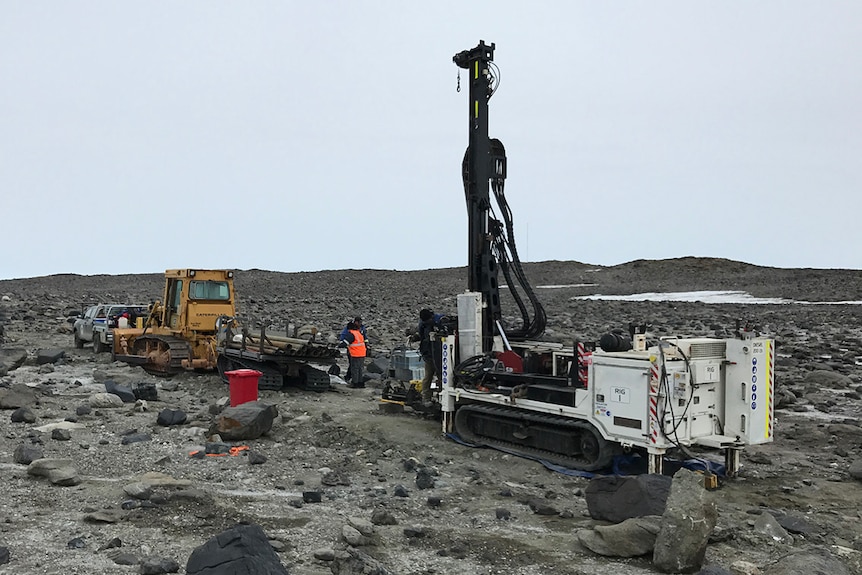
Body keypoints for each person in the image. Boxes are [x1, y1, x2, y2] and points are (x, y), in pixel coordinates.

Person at [416, 308, 445, 406]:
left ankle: (442, 396)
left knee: (441, 376)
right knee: (428, 376)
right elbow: (422, 337)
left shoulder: (440, 320)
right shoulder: (423, 324)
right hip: (429, 354)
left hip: (441, 354)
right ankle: (426, 398)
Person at [340, 316, 367, 381]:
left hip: (354, 353)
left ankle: (354, 382)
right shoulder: (359, 331)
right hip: (361, 352)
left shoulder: (352, 333)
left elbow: (345, 341)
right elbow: (364, 339)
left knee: (354, 367)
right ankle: (359, 382)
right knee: (360, 368)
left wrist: (339, 346)